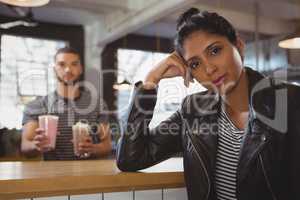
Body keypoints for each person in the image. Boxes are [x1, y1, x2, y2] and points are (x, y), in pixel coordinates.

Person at [116, 8, 300, 200]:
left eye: (214, 50)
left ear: (239, 46)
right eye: (195, 64)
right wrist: (150, 80)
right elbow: (130, 158)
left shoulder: (291, 102)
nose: (209, 69)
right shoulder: (193, 110)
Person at [21, 47, 112, 160]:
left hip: (89, 175)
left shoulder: (98, 104)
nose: (68, 69)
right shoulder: (37, 105)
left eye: (74, 64)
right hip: (53, 175)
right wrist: (37, 145)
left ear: (81, 69)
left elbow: (107, 146)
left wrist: (92, 148)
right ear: (54, 70)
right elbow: (25, 147)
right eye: (62, 64)